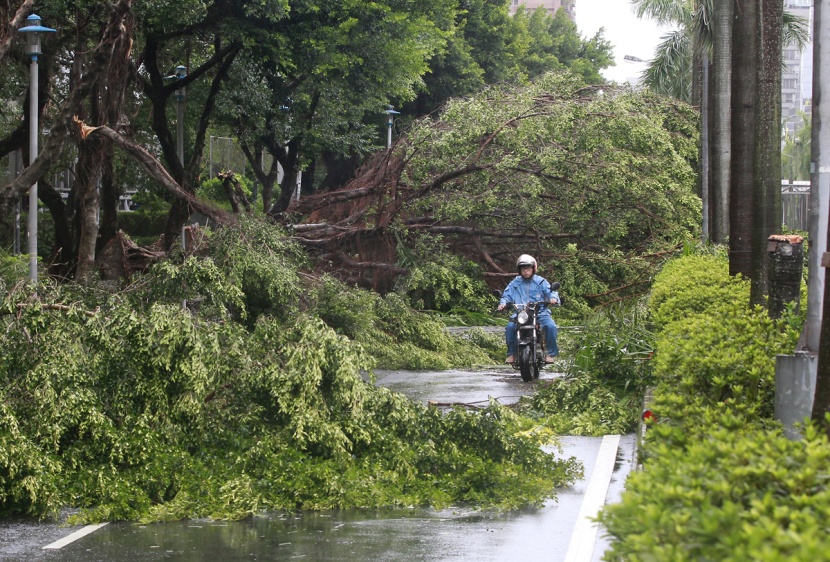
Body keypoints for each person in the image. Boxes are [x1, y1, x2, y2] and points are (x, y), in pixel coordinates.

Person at [497, 254, 560, 364]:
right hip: (520, 313)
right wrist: (502, 304)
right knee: (510, 327)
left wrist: (553, 298)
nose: (526, 271)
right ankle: (512, 353)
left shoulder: (541, 281)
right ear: (519, 270)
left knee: (551, 326)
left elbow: (551, 291)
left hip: (540, 313)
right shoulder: (515, 283)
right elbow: (506, 296)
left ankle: (550, 353)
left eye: (528, 268)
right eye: (523, 269)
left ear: (533, 268)